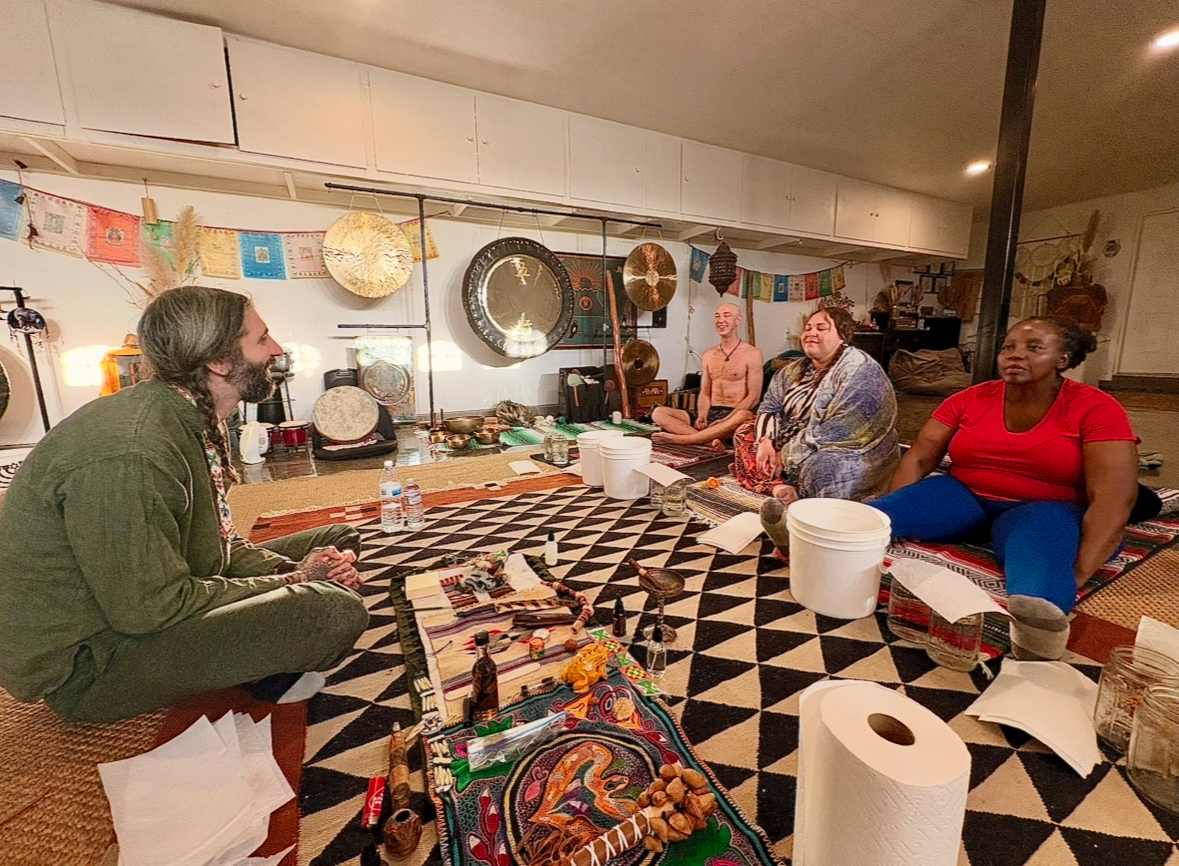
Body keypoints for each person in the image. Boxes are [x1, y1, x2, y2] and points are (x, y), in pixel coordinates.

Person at [0, 286, 370, 723]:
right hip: (93, 661)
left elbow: (218, 543)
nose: (276, 348)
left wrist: (298, 571)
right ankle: (263, 658)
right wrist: (297, 580)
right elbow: (148, 608)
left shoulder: (190, 414)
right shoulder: (133, 454)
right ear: (219, 361)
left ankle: (260, 649)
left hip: (154, 595)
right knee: (332, 612)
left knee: (338, 538)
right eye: (261, 339)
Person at [871, 317, 1140, 661]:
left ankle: (1037, 646)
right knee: (873, 518)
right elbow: (920, 457)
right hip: (964, 495)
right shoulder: (970, 398)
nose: (1015, 354)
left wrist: (1077, 572)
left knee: (1037, 568)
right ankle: (817, 556)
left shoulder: (1096, 408)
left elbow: (1115, 495)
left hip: (1042, 508)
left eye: (1034, 348)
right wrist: (895, 507)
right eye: (1008, 347)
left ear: (1063, 358)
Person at [737, 307, 899, 547]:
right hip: (792, 442)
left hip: (850, 448)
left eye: (821, 328)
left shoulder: (861, 370)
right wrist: (766, 442)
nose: (811, 333)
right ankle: (779, 487)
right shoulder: (793, 370)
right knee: (745, 434)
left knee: (824, 469)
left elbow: (841, 430)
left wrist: (786, 455)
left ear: (842, 336)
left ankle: (813, 527)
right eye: (808, 328)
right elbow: (770, 406)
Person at [652, 302, 763, 448]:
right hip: (711, 412)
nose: (721, 320)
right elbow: (705, 392)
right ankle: (710, 441)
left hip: (734, 414)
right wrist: (702, 416)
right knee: (659, 413)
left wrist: (726, 419)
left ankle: (686, 439)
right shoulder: (709, 354)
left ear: (738, 320)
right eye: (717, 316)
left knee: (745, 415)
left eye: (727, 316)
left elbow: (753, 397)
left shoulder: (752, 354)